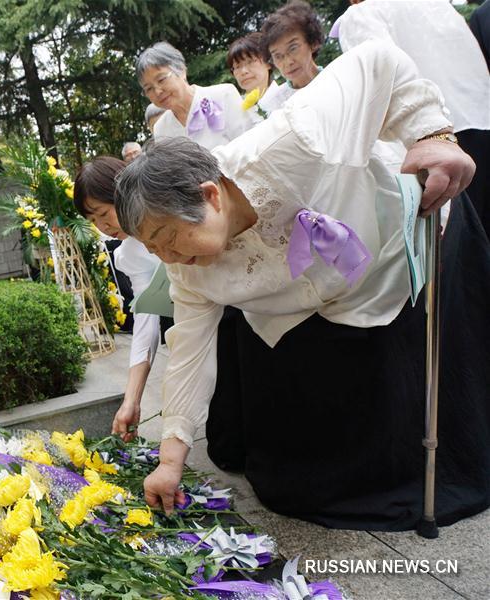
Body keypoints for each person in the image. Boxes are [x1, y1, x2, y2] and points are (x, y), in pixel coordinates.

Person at [114, 41, 486, 531]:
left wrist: (433, 134)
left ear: (209, 195)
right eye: (153, 248)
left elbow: (376, 62)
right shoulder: (187, 267)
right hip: (319, 303)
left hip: (398, 241)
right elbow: (188, 355)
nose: (169, 259)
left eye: (167, 238)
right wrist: (170, 460)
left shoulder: (289, 140)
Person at [335, 0, 490, 234]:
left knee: (466, 258)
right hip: (481, 125)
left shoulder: (360, 16)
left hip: (434, 145)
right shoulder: (439, 6)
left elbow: (384, 81)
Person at [74, 157, 164, 442]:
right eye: (92, 220)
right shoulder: (129, 253)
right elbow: (147, 317)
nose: (102, 226)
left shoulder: (169, 208)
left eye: (103, 212)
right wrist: (132, 400)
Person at [136, 41, 255, 145]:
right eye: (148, 88)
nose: (157, 91)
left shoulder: (223, 95)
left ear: (181, 70)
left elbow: (250, 146)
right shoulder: (161, 128)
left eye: (161, 79)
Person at [258, 0, 325, 114]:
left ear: (313, 43)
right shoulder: (273, 105)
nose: (288, 62)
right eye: (278, 56)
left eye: (293, 48)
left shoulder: (335, 79)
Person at [226, 32, 277, 117]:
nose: (243, 71)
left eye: (250, 62)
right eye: (237, 66)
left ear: (268, 63)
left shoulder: (288, 97)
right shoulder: (232, 113)